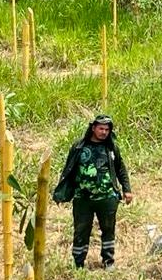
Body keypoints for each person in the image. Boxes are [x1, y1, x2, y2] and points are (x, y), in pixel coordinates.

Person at [53, 114, 132, 270]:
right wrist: (62, 193)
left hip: (107, 197)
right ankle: (78, 263)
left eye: (107, 130)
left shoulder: (111, 148)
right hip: (83, 198)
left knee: (108, 229)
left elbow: (120, 169)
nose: (104, 132)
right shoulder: (79, 147)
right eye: (101, 129)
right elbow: (68, 170)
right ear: (93, 128)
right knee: (81, 231)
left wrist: (127, 189)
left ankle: (108, 261)